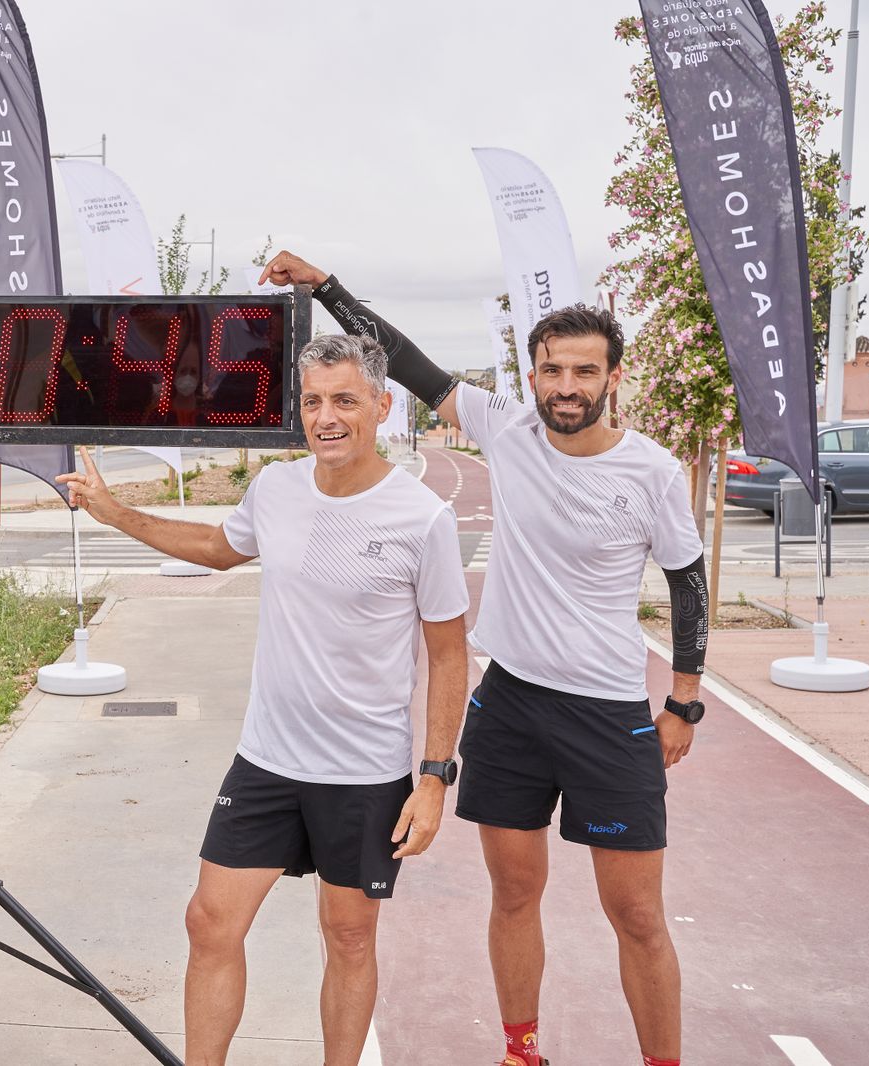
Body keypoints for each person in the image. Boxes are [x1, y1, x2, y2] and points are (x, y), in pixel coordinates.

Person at [261, 251, 709, 1066]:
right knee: (514, 892)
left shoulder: (652, 471)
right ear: (532, 376)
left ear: (613, 376)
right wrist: (321, 286)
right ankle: (522, 1051)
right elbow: (400, 356)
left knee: (637, 915)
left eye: (583, 370)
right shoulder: (508, 427)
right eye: (550, 370)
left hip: (610, 715)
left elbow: (688, 581)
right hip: (509, 708)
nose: (565, 386)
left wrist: (683, 699)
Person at [58, 333, 469, 1066]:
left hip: (363, 771)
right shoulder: (276, 489)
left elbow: (447, 655)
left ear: (382, 404)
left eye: (345, 399)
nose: (327, 417)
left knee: (348, 937)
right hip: (268, 760)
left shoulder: (422, 519)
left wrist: (435, 778)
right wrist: (118, 514)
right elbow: (220, 548)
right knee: (209, 922)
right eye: (313, 401)